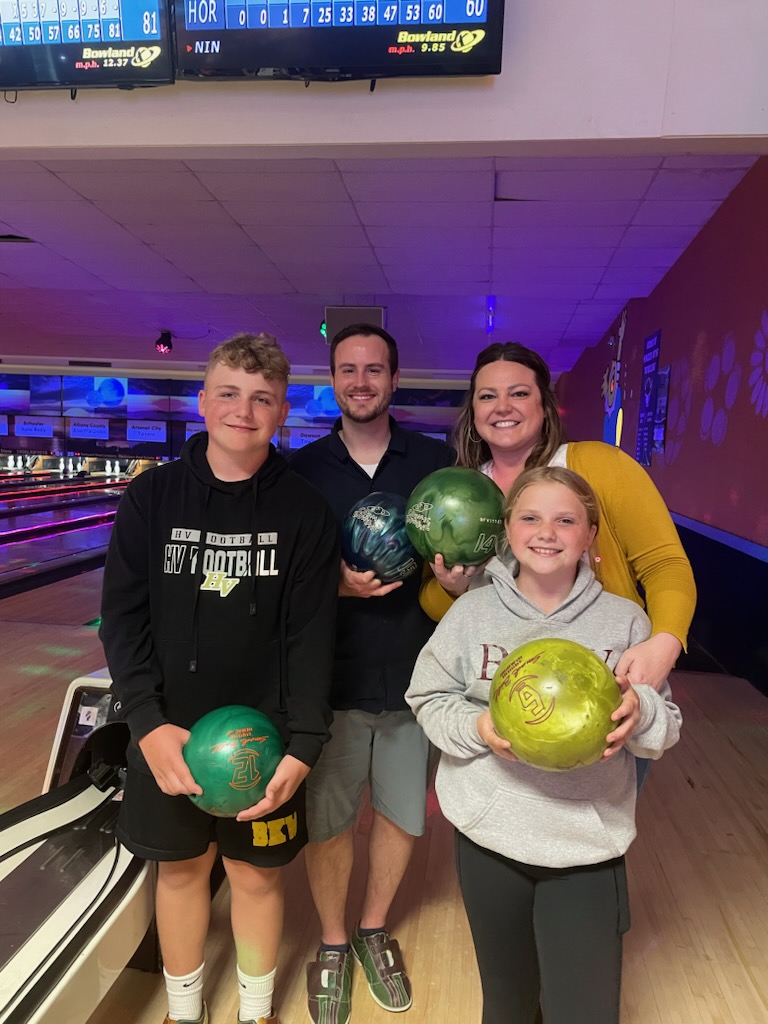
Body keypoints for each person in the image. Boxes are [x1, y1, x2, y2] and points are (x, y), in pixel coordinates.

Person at [99, 333, 339, 1024]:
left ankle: (256, 1011)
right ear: (203, 401)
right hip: (167, 731)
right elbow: (123, 619)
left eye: (262, 398)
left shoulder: (304, 512)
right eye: (228, 393)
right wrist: (144, 723)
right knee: (178, 871)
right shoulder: (152, 499)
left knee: (258, 875)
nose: (244, 409)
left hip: (264, 737)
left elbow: (311, 635)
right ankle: (182, 1011)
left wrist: (304, 743)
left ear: (282, 411)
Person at [406, 466, 682, 1024]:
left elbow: (666, 726)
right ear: (507, 530)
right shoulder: (471, 612)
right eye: (530, 517)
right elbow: (428, 696)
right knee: (506, 1004)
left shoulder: (627, 623)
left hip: (585, 847)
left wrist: (641, 714)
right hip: (489, 840)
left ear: (589, 537)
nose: (546, 531)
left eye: (566, 520)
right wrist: (478, 730)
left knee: (582, 1010)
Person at [289, 323, 455, 1024]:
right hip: (327, 679)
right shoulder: (299, 470)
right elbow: (283, 576)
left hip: (416, 677)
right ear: (334, 380)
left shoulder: (434, 461)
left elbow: (461, 557)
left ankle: (372, 928)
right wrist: (336, 585)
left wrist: (458, 574)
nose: (361, 381)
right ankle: (332, 942)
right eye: (348, 369)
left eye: (374, 369)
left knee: (400, 817)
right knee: (327, 822)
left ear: (394, 379)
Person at [421, 341, 696, 693]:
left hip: (602, 683)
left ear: (544, 407)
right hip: (495, 688)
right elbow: (430, 602)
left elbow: (664, 564)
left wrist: (664, 644)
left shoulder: (599, 466)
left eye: (519, 393)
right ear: (473, 414)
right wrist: (452, 588)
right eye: (488, 396)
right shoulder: (459, 495)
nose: (503, 406)